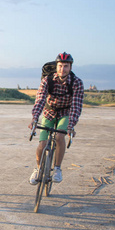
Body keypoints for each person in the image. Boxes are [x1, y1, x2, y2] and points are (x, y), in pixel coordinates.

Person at [28, 52, 84, 184]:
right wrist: (35, 118)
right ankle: (38, 169)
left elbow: (76, 105)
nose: (62, 69)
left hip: (65, 113)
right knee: (42, 143)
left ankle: (57, 168)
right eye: (60, 66)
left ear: (70, 67)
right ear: (56, 66)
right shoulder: (47, 80)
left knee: (59, 136)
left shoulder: (76, 83)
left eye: (65, 66)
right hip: (49, 111)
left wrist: (71, 125)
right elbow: (40, 99)